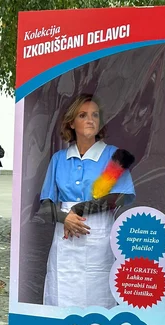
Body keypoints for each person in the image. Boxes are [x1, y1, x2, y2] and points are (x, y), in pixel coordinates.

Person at [39, 94, 135, 308]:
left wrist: (79, 209)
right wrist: (66, 219)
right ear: (71, 123)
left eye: (95, 115)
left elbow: (117, 198)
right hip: (65, 236)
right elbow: (45, 205)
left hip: (99, 235)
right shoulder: (59, 159)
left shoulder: (114, 156)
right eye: (83, 115)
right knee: (63, 293)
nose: (90, 119)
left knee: (98, 293)